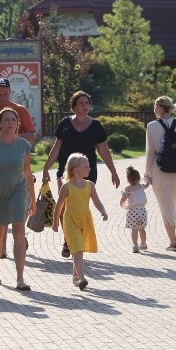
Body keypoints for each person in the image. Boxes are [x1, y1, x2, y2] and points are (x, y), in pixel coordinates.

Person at [41, 90, 120, 258]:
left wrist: (113, 171)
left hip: (86, 173)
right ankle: (69, 240)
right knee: (64, 206)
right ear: (74, 106)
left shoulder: (96, 126)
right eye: (81, 103)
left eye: (87, 103)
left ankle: (76, 239)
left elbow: (104, 150)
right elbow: (57, 147)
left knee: (80, 207)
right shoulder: (65, 124)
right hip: (66, 172)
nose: (85, 106)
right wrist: (47, 168)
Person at [0, 107, 36, 291]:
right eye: (6, 119)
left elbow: (27, 172)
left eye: (13, 119)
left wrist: (33, 199)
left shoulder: (24, 145)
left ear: (17, 124)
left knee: (19, 229)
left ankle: (20, 278)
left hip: (19, 189)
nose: (10, 122)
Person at [51, 153, 107, 290]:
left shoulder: (90, 185)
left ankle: (75, 278)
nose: (90, 169)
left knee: (78, 249)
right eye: (86, 166)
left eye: (89, 166)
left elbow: (96, 200)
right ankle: (81, 278)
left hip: (85, 220)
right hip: (70, 221)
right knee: (78, 249)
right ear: (76, 169)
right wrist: (55, 222)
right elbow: (59, 206)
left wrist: (103, 211)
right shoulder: (66, 187)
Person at [144, 95, 176, 251]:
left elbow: (150, 152)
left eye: (155, 107)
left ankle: (173, 240)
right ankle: (173, 237)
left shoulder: (151, 126)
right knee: (173, 201)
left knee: (164, 205)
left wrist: (146, 173)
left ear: (159, 107)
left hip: (159, 169)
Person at [120, 166, 149, 253]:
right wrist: (147, 178)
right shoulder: (141, 186)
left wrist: (121, 203)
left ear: (128, 179)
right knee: (142, 229)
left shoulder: (127, 189)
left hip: (132, 212)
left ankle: (135, 245)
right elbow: (147, 184)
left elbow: (124, 198)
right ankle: (143, 244)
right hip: (142, 211)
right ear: (139, 178)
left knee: (134, 230)